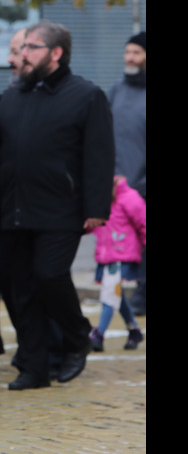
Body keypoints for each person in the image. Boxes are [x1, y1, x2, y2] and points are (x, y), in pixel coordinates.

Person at [0, 19, 114, 390]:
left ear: (55, 53)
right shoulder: (15, 95)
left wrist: (96, 207)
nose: (21, 55)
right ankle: (35, 366)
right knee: (20, 287)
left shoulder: (86, 95)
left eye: (30, 47)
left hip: (61, 209)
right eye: (22, 47)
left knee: (49, 275)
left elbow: (100, 154)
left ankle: (77, 338)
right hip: (14, 208)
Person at [109, 32, 146, 316]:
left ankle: (142, 295)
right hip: (118, 187)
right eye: (127, 52)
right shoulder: (116, 92)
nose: (129, 58)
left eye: (136, 52)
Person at [88, 175, 146, 352]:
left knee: (109, 294)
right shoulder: (103, 201)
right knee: (116, 295)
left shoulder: (129, 198)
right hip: (106, 256)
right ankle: (134, 330)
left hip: (122, 255)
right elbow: (93, 225)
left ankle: (99, 334)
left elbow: (143, 222)